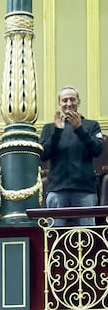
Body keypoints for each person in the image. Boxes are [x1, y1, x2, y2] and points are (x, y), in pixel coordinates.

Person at [39, 86, 103, 226]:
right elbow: (43, 155)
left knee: (87, 236)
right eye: (65, 100)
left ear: (79, 102)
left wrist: (80, 129)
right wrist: (57, 132)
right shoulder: (49, 128)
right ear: (59, 104)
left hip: (84, 190)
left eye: (72, 99)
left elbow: (97, 150)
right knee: (55, 236)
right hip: (57, 190)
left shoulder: (91, 125)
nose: (69, 103)